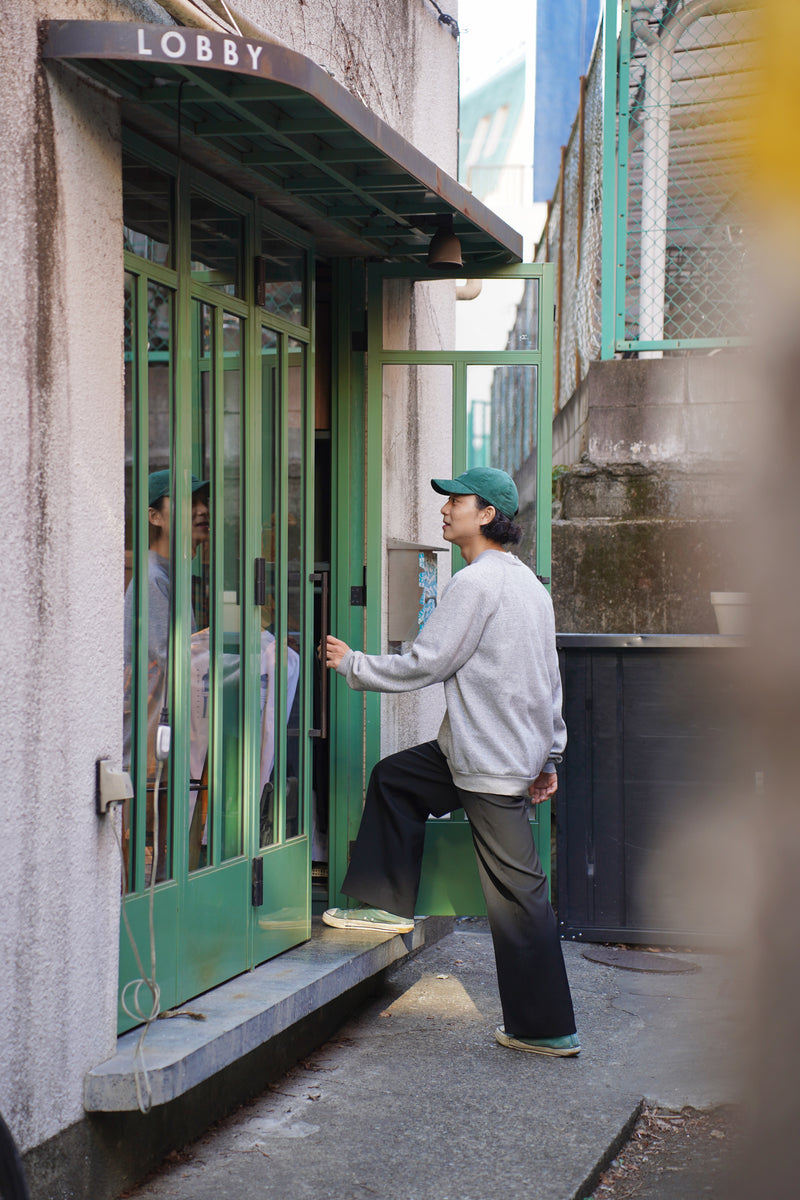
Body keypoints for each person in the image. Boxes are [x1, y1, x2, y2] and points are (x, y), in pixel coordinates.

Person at [323, 467, 579, 1056]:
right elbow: (551, 681)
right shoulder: (528, 586)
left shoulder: (476, 584)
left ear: (487, 514)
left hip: (489, 762)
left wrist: (353, 664)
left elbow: (426, 663)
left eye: (455, 502)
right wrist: (552, 757)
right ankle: (386, 907)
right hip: (477, 752)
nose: (444, 511)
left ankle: (546, 1029)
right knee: (395, 779)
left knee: (519, 898)